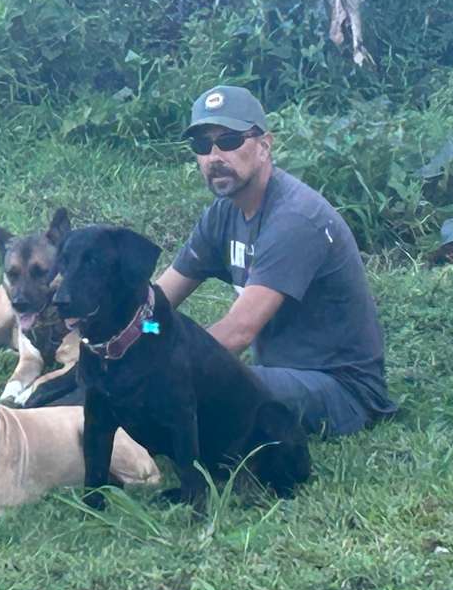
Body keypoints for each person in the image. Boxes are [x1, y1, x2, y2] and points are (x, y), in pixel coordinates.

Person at [154, 85, 397, 437]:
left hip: (341, 390)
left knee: (204, 384)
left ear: (265, 145)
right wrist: (137, 335)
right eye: (202, 146)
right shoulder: (223, 214)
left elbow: (237, 332)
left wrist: (155, 367)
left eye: (230, 140)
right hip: (280, 374)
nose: (214, 156)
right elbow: (155, 307)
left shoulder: (295, 219)